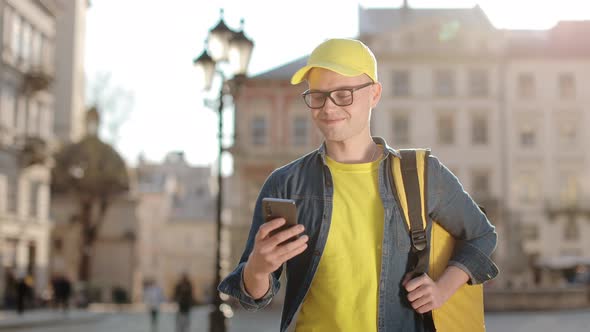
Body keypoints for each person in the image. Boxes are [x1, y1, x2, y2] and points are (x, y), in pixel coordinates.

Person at [218, 38, 499, 332]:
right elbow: (253, 297)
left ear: (375, 94)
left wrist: (442, 289)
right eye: (317, 95)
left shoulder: (421, 174)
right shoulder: (285, 184)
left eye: (343, 94)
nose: (328, 107)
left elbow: (481, 236)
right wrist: (258, 268)